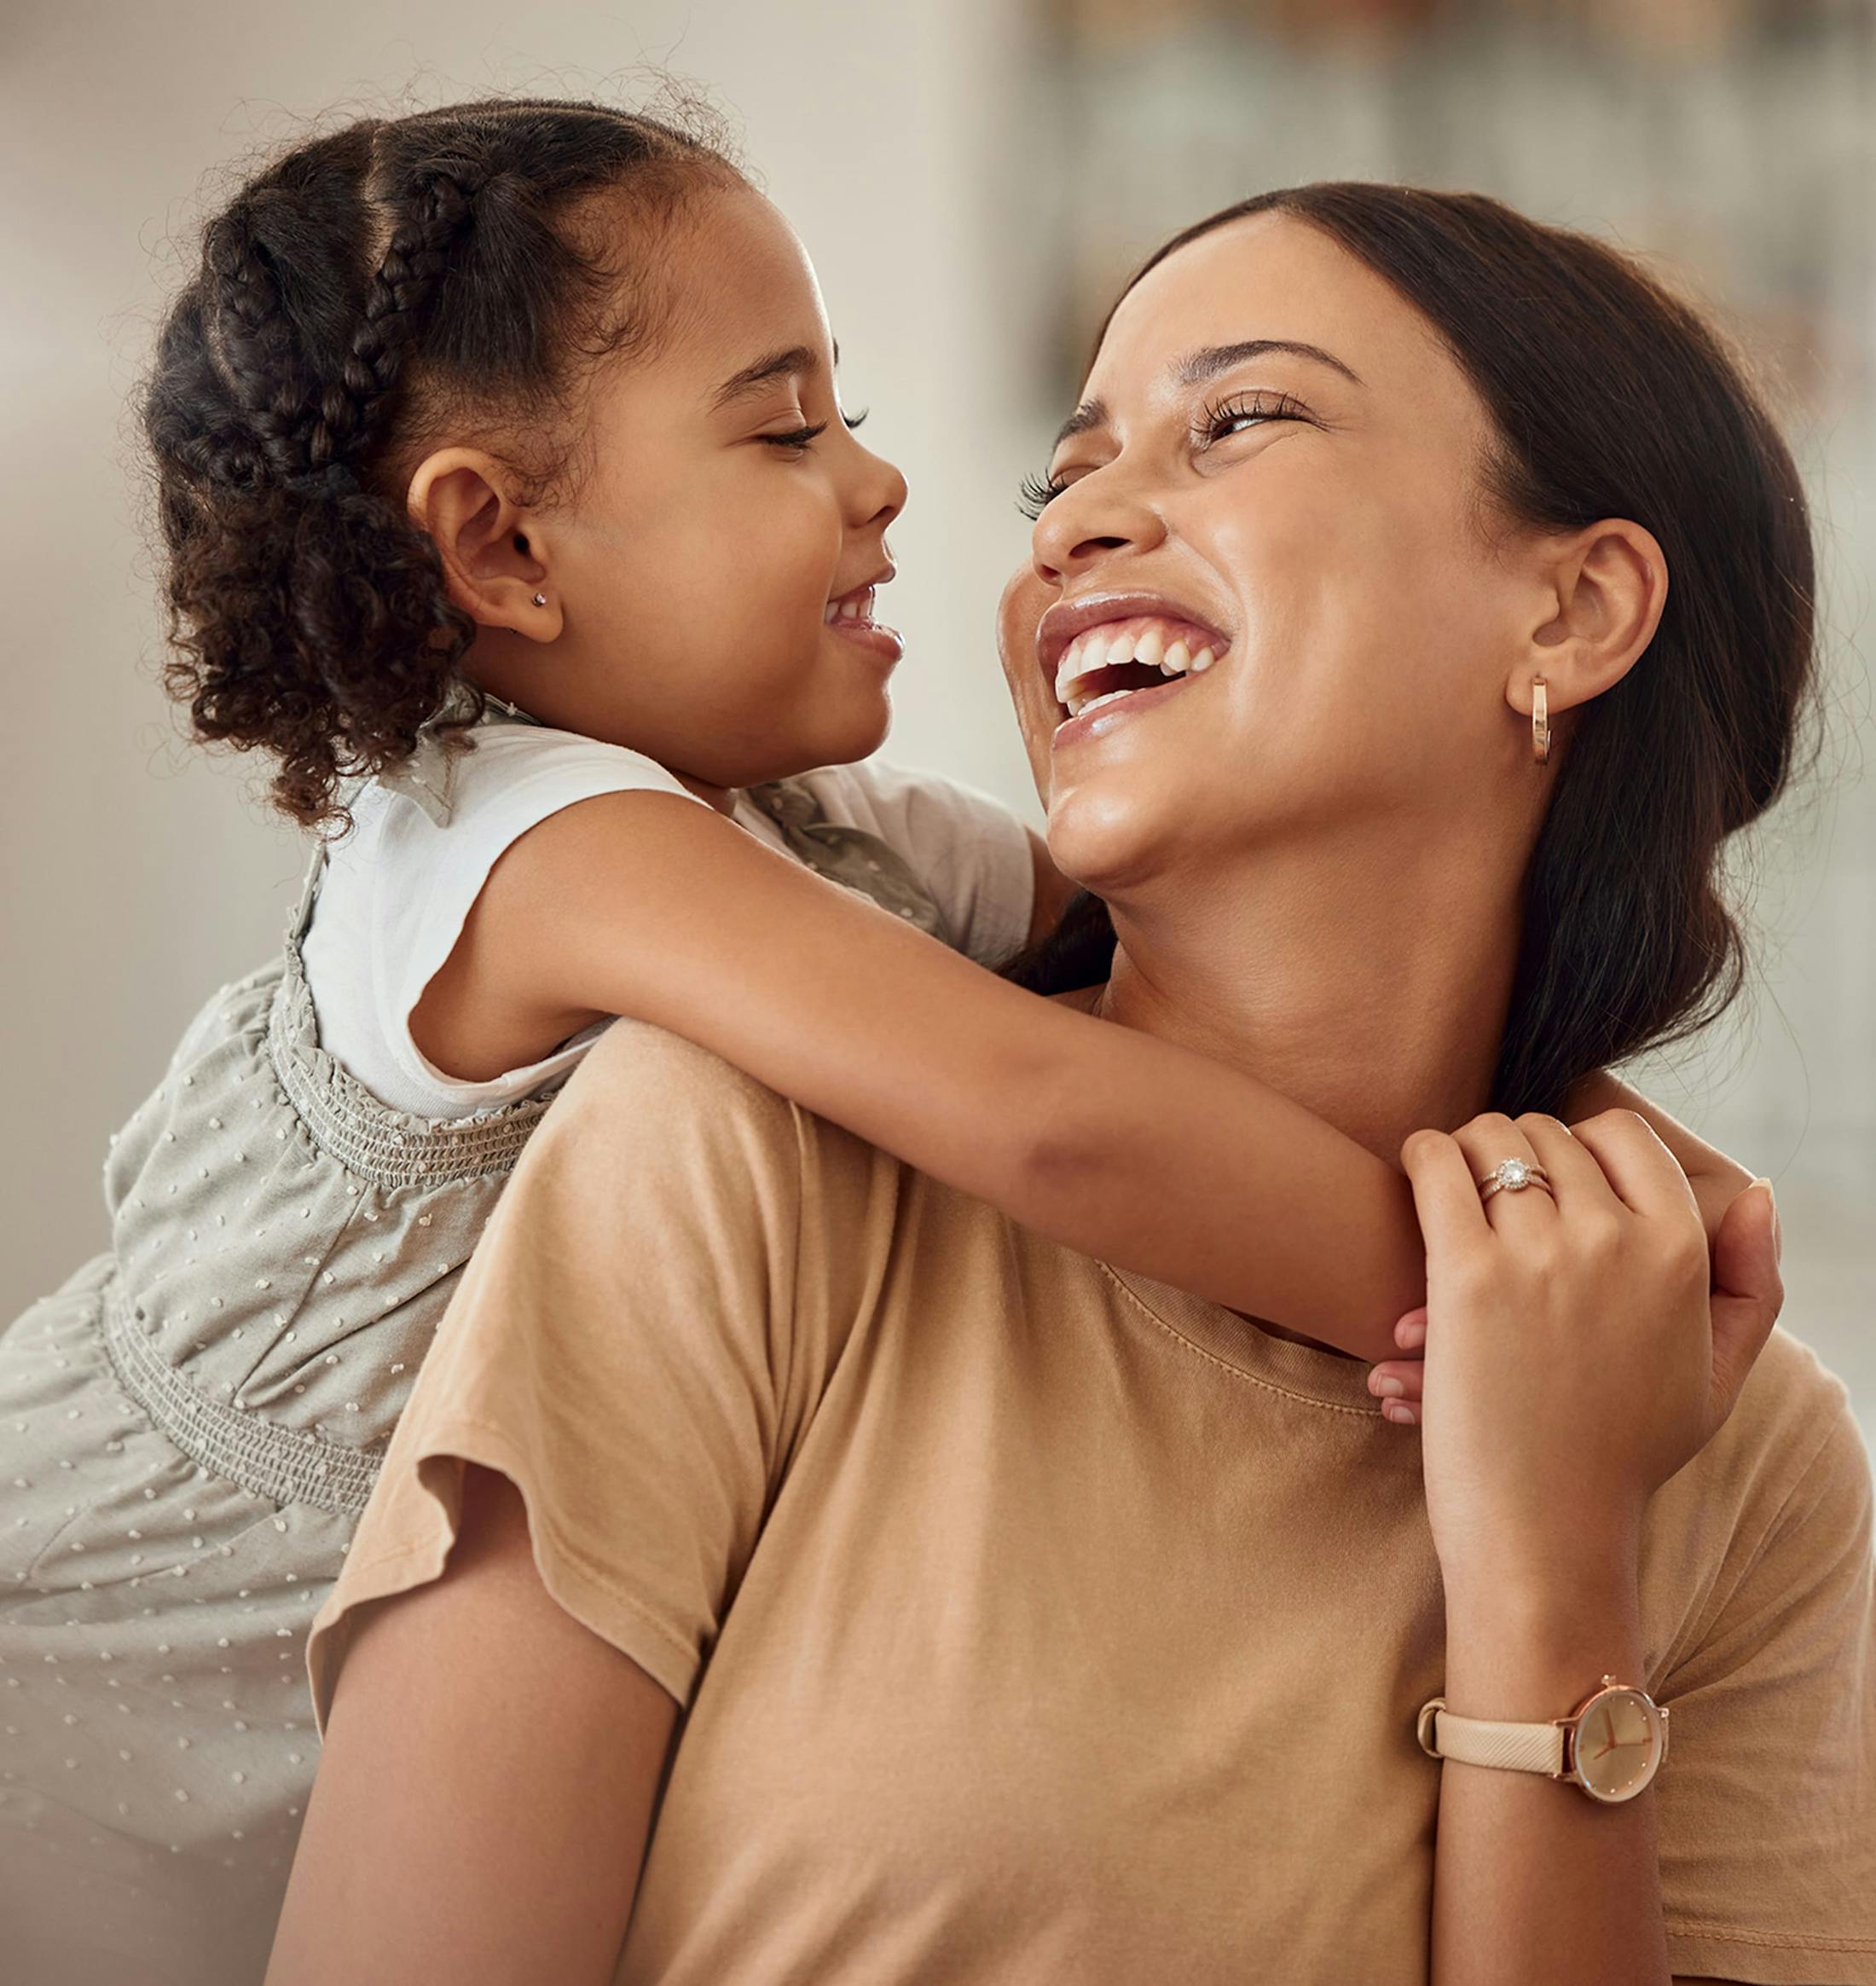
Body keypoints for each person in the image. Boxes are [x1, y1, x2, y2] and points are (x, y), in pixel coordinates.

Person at [276, 185, 1873, 1983]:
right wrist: (1541, 1287)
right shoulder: (736, 1158)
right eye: (1066, 475)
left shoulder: (1746, 1460)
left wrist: (1553, 1564)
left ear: (1573, 610)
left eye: (1239, 419)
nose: (1073, 528)